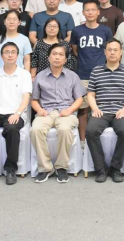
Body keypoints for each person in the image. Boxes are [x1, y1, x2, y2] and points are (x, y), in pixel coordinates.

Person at [0, 42, 33, 185]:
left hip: (15, 113)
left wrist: (17, 113)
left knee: (12, 129)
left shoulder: (24, 74)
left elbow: (26, 97)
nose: (10, 55)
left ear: (17, 55)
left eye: (13, 52)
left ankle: (10, 169)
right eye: (6, 52)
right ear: (1, 56)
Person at [31, 43, 86, 183]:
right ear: (48, 57)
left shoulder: (73, 76)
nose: (57, 57)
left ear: (65, 59)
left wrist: (70, 110)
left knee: (64, 129)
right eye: (54, 54)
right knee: (36, 129)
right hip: (46, 112)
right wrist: (39, 110)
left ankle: (61, 167)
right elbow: (34, 100)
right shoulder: (40, 76)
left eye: (61, 55)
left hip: (66, 112)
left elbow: (79, 99)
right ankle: (45, 168)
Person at [85, 39, 124, 183]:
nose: (112, 53)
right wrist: (95, 108)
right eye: (109, 50)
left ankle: (115, 168)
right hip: (101, 111)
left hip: (121, 111)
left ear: (121, 52)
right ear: (105, 52)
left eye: (115, 50)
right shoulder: (96, 71)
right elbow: (90, 94)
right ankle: (100, 169)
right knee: (90, 131)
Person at [70, 0, 115, 142]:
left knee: (101, 109)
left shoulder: (105, 30)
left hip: (102, 75)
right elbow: (75, 50)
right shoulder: (77, 30)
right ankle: (83, 141)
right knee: (83, 109)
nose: (90, 12)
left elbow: (109, 50)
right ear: (83, 12)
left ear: (98, 12)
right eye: (87, 10)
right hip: (82, 74)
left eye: (93, 10)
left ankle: (98, 140)